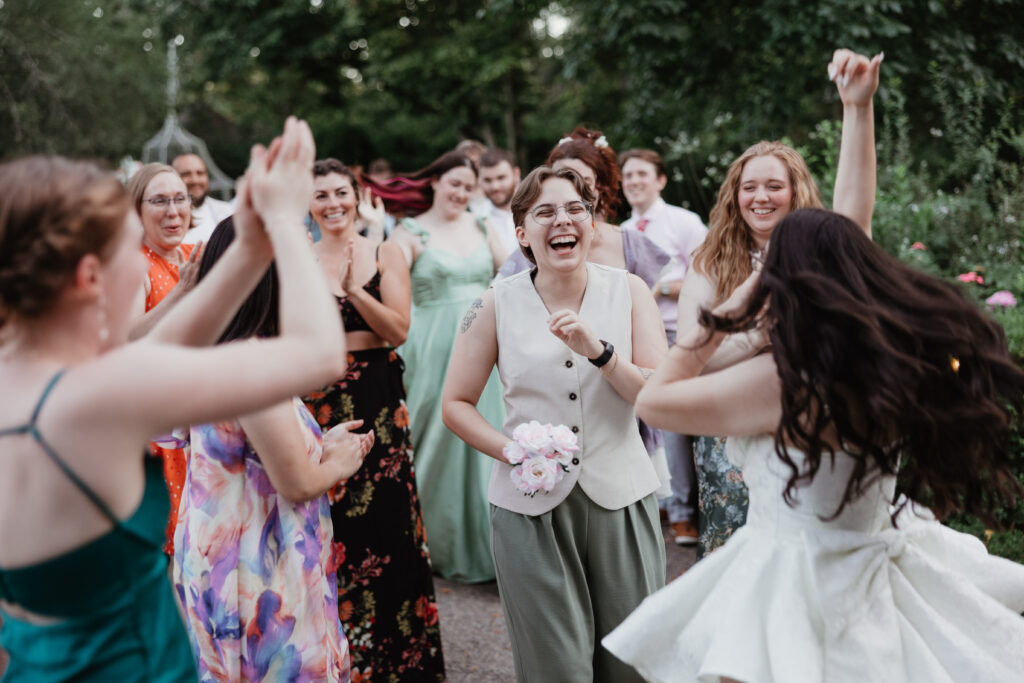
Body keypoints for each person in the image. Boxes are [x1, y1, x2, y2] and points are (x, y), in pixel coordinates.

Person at [604, 207, 1024, 683]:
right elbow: (855, 207)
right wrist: (859, 125)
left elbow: (654, 402)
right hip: (875, 568)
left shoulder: (785, 385)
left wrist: (720, 320)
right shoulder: (889, 365)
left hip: (793, 583)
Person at [0, 117, 347, 681]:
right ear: (90, 276)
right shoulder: (97, 400)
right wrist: (286, 221)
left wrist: (249, 248)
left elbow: (166, 346)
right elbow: (319, 355)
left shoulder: (36, 383)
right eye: (128, 250)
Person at [443, 166, 667, 682]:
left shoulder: (631, 291)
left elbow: (657, 400)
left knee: (632, 662)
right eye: (543, 212)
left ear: (591, 222)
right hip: (529, 511)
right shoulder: (492, 304)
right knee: (556, 669)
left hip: (622, 498)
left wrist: (603, 354)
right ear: (521, 233)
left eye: (574, 209)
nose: (561, 220)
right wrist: (512, 452)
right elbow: (456, 403)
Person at [680, 49, 882, 557]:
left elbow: (856, 213)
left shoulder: (820, 252)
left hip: (810, 425)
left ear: (796, 192)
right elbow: (691, 359)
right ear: (735, 196)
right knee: (738, 563)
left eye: (774, 185)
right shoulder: (709, 263)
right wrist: (759, 330)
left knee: (809, 557)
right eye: (749, 187)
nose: (760, 197)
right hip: (728, 428)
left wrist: (858, 109)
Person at [174, 217, 372, 682]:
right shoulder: (254, 365)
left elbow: (241, 453)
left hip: (217, 559)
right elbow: (296, 483)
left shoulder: (214, 349)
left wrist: (320, 444)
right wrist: (339, 462)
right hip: (258, 575)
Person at [303, 158, 446, 680]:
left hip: (377, 396)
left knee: (388, 524)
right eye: (321, 195)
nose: (333, 203)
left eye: (341, 192)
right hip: (318, 399)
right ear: (309, 203)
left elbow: (399, 329)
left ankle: (397, 662)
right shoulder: (297, 258)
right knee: (332, 526)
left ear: (358, 195)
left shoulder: (385, 250)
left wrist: (353, 290)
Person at [381, 151, 506, 583]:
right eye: (454, 183)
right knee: (437, 441)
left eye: (469, 187)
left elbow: (510, 276)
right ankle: (437, 539)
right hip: (432, 347)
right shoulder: (408, 231)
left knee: (489, 433)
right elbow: (389, 291)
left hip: (486, 344)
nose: (461, 193)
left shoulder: (484, 225)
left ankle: (497, 547)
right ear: (434, 182)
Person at [620, 148, 709, 546]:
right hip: (632, 334)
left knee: (673, 424)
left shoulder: (684, 222)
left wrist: (665, 287)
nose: (634, 181)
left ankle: (684, 513)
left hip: (679, 333)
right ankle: (655, 499)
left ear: (660, 180)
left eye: (642, 174)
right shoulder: (621, 230)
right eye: (628, 176)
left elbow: (712, 274)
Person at [125, 162, 201, 552]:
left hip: (202, 425)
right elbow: (126, 339)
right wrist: (179, 296)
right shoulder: (133, 264)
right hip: (158, 430)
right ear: (137, 210)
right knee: (166, 552)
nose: (173, 211)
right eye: (159, 201)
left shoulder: (195, 255)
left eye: (180, 199)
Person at [499, 128, 669, 290]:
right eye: (562, 179)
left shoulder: (632, 245)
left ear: (600, 186)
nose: (571, 191)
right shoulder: (534, 245)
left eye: (583, 181)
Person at [172, 152, 233, 246]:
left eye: (200, 173)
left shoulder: (227, 212)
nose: (195, 180)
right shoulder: (166, 216)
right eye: (186, 174)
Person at [478, 148, 521, 255]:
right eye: (487, 180)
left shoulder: (535, 210)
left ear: (516, 174)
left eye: (501, 178)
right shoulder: (476, 218)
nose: (495, 187)